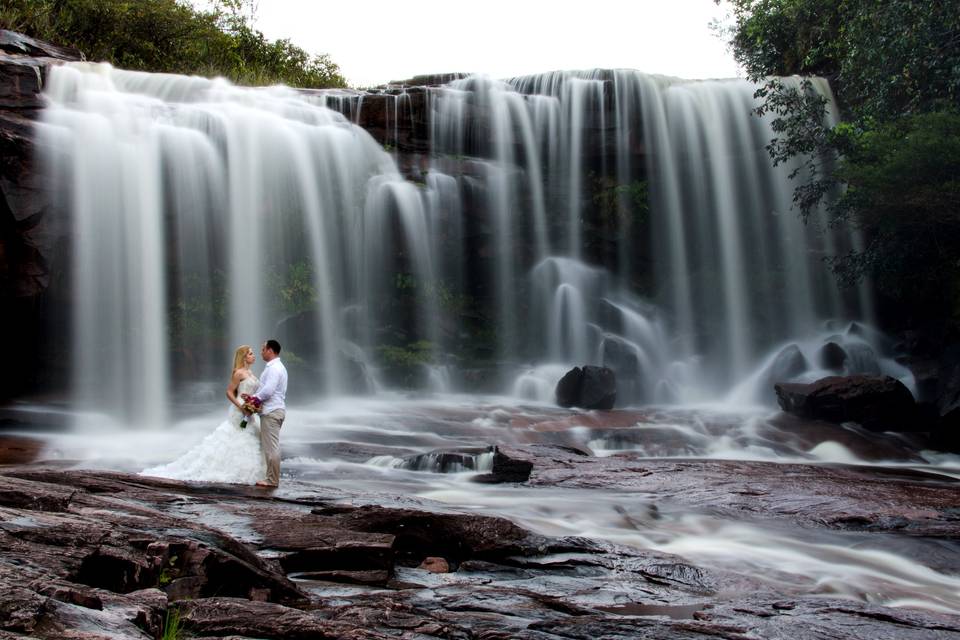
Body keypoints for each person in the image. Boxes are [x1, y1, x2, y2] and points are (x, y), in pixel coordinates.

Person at [140, 345, 267, 484]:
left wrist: (254, 403)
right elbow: (229, 392)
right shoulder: (239, 373)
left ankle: (249, 470)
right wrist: (241, 406)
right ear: (243, 357)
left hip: (249, 409)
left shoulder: (251, 372)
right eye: (250, 354)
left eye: (253, 353)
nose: (253, 356)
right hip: (240, 409)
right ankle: (231, 468)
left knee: (248, 436)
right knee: (238, 436)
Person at [249, 339, 288, 487]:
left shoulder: (274, 368)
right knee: (271, 446)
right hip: (275, 409)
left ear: (270, 350)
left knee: (271, 447)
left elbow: (268, 390)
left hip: (272, 411)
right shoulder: (277, 367)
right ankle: (271, 477)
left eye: (263, 349)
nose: (261, 352)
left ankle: (272, 480)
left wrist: (254, 399)